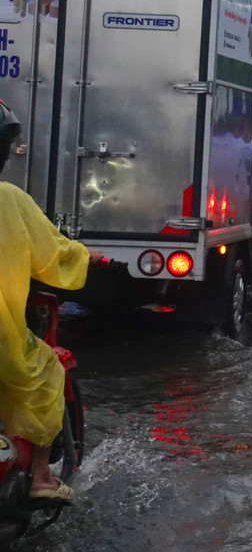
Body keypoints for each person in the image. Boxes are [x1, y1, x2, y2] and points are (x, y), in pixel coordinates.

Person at [0, 99, 104, 502]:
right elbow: (53, 254)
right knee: (45, 371)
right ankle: (42, 477)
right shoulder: (10, 200)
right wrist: (86, 256)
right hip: (4, 336)